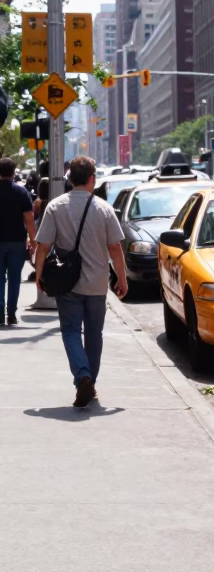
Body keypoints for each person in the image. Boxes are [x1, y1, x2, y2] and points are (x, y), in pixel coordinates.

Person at [34, 156, 128, 409]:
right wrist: (121, 278)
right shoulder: (104, 209)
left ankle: (83, 377)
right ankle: (90, 382)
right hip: (97, 283)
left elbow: (43, 246)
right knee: (94, 334)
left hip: (67, 283)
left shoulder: (55, 207)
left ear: (70, 178)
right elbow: (115, 248)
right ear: (92, 179)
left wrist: (39, 275)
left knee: (71, 331)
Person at [0, 157, 37, 326]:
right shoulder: (21, 192)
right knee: (15, 278)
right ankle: (11, 314)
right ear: (13, 172)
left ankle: (0, 312)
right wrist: (33, 241)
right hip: (17, 242)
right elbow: (29, 219)